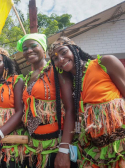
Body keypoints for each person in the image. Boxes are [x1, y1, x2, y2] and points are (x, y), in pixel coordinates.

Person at [49, 36, 125, 167]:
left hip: (120, 146)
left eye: (63, 52)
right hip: (93, 150)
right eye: (55, 58)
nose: (61, 59)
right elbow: (71, 112)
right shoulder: (68, 83)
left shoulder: (105, 63)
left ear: (75, 50)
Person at [17, 34, 76, 168]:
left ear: (43, 49)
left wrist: (64, 149)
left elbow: (70, 108)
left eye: (33, 46)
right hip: (33, 147)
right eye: (25, 49)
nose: (29, 50)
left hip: (56, 145)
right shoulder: (28, 77)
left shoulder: (57, 70)